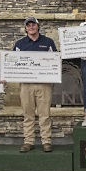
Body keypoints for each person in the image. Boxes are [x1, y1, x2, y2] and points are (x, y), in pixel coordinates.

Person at [14, 16, 57, 153]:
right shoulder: (19, 44)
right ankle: (28, 141)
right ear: (25, 28)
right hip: (26, 85)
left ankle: (46, 141)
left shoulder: (48, 42)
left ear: (38, 26)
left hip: (44, 85)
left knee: (45, 114)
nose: (31, 27)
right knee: (28, 114)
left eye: (33, 25)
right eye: (28, 25)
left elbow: (55, 62)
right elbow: (13, 64)